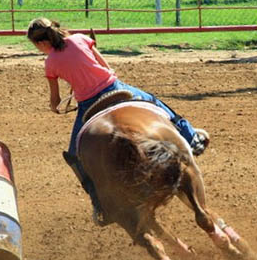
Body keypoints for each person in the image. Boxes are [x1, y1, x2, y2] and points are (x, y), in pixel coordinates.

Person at [27, 18, 209, 223]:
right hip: (115, 88)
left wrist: (55, 107)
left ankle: (99, 203)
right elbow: (105, 66)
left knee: (75, 155)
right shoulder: (81, 39)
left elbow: (56, 100)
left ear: (41, 43)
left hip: (88, 103)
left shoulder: (50, 62)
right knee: (155, 103)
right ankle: (191, 136)